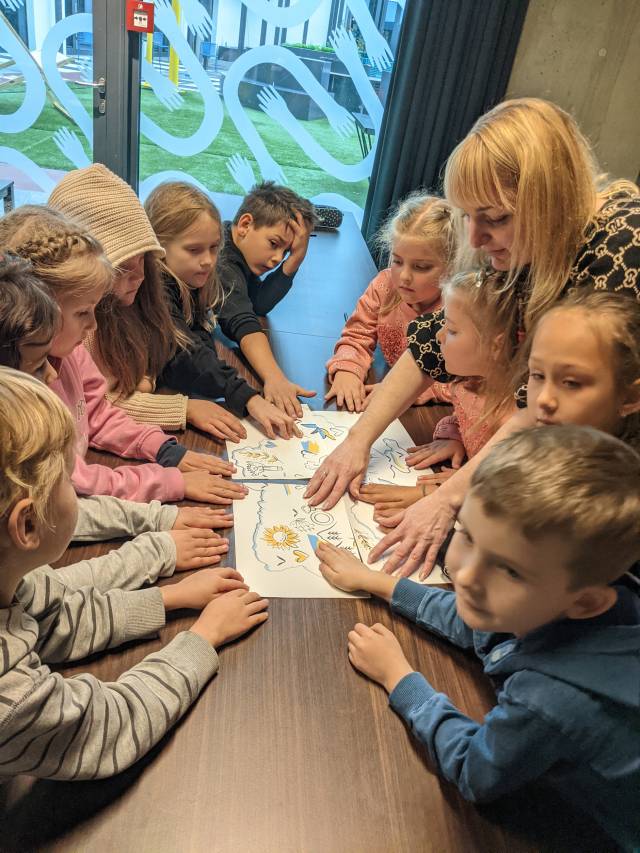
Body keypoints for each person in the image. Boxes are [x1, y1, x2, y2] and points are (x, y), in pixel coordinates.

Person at [305, 97, 640, 578]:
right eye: (466, 216)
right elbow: (430, 345)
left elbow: (548, 414)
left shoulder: (617, 255)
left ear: (550, 199)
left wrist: (445, 499)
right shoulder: (523, 246)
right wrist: (357, 441)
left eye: (495, 218)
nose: (477, 239)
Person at [317, 425, 640, 851]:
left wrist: (399, 677)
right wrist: (380, 583)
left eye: (509, 569)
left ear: (585, 604)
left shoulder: (550, 699)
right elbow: (481, 626)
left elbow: (474, 770)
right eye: (466, 534)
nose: (466, 575)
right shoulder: (561, 597)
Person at [0, 368, 269, 780]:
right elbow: (107, 729)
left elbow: (57, 618)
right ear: (27, 526)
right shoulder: (10, 693)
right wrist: (202, 638)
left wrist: (170, 599)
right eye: (69, 483)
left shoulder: (11, 583)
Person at [0, 207, 247, 505]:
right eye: (82, 313)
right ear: (40, 311)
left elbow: (97, 413)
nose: (92, 325)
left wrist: (163, 450)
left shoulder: (72, 352)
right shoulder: (25, 388)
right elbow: (74, 481)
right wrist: (169, 482)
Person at [48, 163, 254, 442]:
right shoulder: (74, 329)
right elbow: (93, 406)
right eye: (122, 267)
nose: (140, 276)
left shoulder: (137, 296)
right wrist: (183, 408)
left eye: (144, 260)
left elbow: (152, 356)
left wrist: (148, 376)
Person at [144, 181, 301, 440]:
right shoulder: (156, 290)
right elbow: (186, 354)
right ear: (159, 244)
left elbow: (198, 338)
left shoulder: (191, 277)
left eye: (215, 248)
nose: (208, 260)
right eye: (194, 250)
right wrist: (247, 397)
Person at [358, 269, 517, 523]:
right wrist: (456, 436)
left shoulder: (512, 413)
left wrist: (430, 493)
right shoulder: (468, 382)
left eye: (452, 331)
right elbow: (467, 418)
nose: (439, 337)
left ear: (495, 346)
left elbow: (507, 494)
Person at [325, 193, 454, 413]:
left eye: (421, 267)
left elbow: (469, 382)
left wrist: (400, 391)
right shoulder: (385, 284)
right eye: (397, 261)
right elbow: (358, 334)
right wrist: (348, 369)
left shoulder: (460, 309)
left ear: (452, 267)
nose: (403, 276)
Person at [217, 180, 318, 418]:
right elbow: (242, 321)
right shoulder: (221, 259)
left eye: (285, 253)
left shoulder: (241, 253)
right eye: (274, 244)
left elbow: (259, 304)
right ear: (245, 224)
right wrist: (274, 377)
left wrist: (295, 260)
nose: (276, 259)